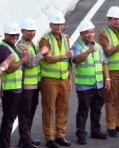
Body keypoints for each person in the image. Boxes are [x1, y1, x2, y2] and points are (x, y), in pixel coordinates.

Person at [72, 20, 111, 145]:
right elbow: (76, 60)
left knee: (97, 108)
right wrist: (88, 51)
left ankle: (95, 131)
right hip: (84, 85)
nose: (90, 34)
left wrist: (108, 79)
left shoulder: (98, 46)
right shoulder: (77, 46)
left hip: (98, 84)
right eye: (87, 32)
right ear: (81, 34)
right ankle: (81, 134)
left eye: (92, 32)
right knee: (83, 110)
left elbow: (104, 63)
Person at [39, 9, 73, 148]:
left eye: (60, 24)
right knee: (49, 109)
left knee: (63, 108)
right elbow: (48, 59)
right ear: (51, 25)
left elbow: (69, 61)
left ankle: (60, 135)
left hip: (64, 78)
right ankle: (49, 138)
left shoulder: (66, 38)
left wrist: (70, 77)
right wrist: (64, 55)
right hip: (49, 80)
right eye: (56, 24)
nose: (59, 27)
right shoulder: (45, 40)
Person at [98, 6, 119, 137]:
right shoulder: (103, 34)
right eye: (115, 19)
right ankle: (111, 126)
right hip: (111, 71)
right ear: (109, 20)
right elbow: (108, 51)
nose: (118, 21)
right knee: (111, 98)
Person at [0, 21, 30, 148]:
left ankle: (17, 142)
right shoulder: (3, 49)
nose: (15, 37)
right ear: (5, 35)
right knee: (9, 119)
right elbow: (9, 69)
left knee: (15, 117)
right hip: (10, 90)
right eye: (12, 35)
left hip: (16, 88)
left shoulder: (12, 46)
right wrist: (24, 59)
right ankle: (4, 145)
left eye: (16, 35)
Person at [16, 18, 47, 148]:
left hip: (34, 84)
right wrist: (42, 53)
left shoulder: (31, 44)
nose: (32, 33)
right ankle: (25, 141)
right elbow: (30, 63)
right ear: (22, 31)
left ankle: (25, 138)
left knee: (31, 112)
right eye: (29, 31)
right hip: (27, 86)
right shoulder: (21, 46)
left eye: (33, 31)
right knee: (25, 113)